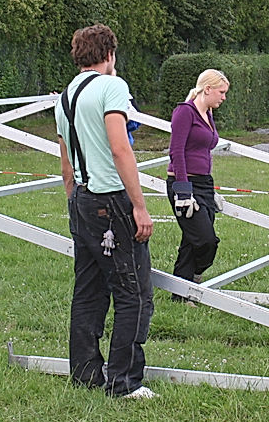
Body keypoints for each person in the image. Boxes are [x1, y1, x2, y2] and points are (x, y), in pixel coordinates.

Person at [54, 24, 156, 399]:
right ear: (109, 55)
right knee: (134, 293)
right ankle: (124, 382)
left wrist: (73, 203)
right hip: (111, 199)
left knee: (88, 290)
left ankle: (85, 373)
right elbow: (120, 148)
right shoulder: (113, 87)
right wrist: (140, 207)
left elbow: (65, 162)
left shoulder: (64, 96)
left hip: (81, 198)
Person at [166, 69, 229, 302]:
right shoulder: (185, 112)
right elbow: (177, 151)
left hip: (204, 183)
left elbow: (204, 150)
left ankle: (180, 294)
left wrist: (209, 189)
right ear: (208, 89)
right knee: (205, 240)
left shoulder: (208, 113)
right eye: (221, 92)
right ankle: (193, 278)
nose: (223, 97)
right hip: (184, 182)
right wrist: (183, 190)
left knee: (191, 242)